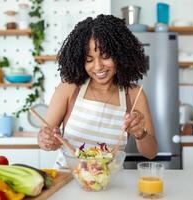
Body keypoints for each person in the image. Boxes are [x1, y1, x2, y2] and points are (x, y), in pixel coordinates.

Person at [38, 14, 157, 168]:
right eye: (89, 59)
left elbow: (151, 153)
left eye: (106, 56)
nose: (98, 66)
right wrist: (46, 140)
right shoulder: (69, 88)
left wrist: (141, 133)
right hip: (67, 181)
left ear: (120, 54)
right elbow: (45, 139)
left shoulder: (134, 94)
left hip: (108, 183)